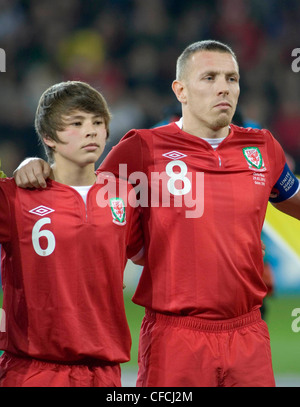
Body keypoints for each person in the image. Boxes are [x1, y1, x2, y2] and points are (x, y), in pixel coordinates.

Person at [13, 40, 300, 387]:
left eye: (232, 78)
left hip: (249, 332)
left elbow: (293, 199)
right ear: (180, 90)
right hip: (176, 335)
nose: (223, 87)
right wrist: (35, 163)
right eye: (209, 77)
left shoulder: (262, 147)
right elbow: (82, 193)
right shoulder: (142, 148)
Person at [0, 80, 143, 387]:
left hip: (104, 371)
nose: (91, 131)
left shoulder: (125, 195)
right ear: (48, 137)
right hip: (33, 371)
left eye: (98, 122)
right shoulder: (15, 196)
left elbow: (153, 254)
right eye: (76, 123)